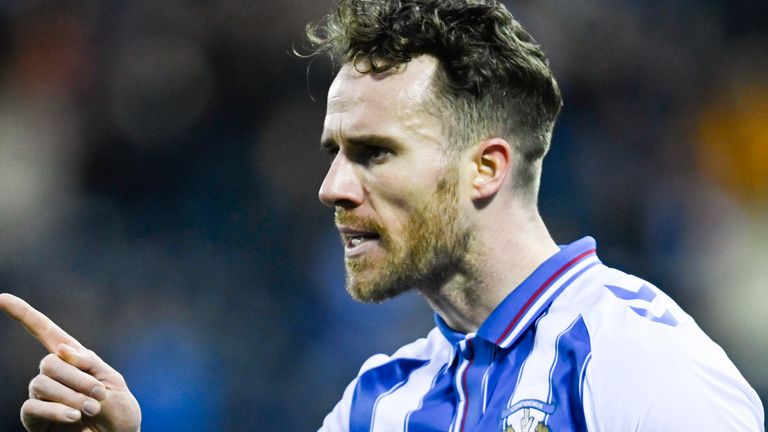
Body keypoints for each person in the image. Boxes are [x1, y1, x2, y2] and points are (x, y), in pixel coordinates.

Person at [0, 0, 764, 431]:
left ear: (486, 169)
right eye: (335, 152)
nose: (332, 187)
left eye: (374, 153)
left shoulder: (644, 370)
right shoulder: (379, 402)